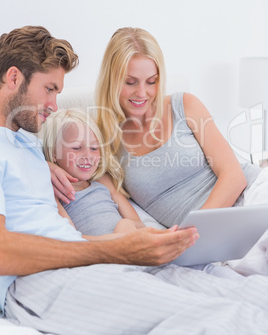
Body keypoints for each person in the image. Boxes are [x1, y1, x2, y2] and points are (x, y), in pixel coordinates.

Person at [2, 26, 268, 334]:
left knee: (250, 297)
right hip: (59, 271)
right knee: (223, 314)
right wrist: (118, 247)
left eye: (151, 81)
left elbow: (234, 175)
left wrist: (44, 163)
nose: (55, 105)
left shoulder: (27, 146)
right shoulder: (96, 140)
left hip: (246, 197)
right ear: (13, 78)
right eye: (49, 89)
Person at [92, 27, 268, 276]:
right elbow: (124, 213)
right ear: (112, 79)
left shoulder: (184, 105)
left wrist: (196, 230)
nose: (142, 93)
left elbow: (234, 175)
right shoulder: (103, 142)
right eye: (130, 82)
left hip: (252, 195)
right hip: (211, 238)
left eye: (151, 82)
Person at [43, 108, 144, 237]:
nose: (88, 155)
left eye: (94, 148)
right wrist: (117, 240)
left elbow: (138, 224)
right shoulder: (54, 190)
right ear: (54, 152)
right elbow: (71, 239)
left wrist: (125, 228)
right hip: (99, 251)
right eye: (76, 147)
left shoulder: (102, 180)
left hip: (129, 243)